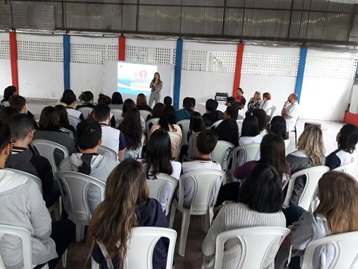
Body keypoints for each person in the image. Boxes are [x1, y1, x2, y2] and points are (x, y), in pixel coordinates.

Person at [0, 121, 75, 269]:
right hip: (19, 262)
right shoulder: (25, 186)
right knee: (67, 227)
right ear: (8, 149)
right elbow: (44, 232)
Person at [89, 159, 169, 269]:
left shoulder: (103, 212)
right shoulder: (154, 208)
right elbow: (166, 242)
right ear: (143, 184)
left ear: (112, 183)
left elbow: (97, 256)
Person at [202, 164, 286, 269]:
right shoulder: (281, 219)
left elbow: (207, 248)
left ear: (248, 186)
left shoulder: (229, 212)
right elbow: (270, 256)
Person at [275, 171, 358, 269]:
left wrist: (291, 231)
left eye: (319, 189)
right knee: (296, 211)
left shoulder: (314, 222)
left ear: (326, 196)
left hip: (310, 265)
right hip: (343, 264)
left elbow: (291, 244)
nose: (317, 192)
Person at [58, 119, 118, 213]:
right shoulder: (113, 167)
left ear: (76, 140)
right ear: (100, 141)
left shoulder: (64, 165)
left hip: (73, 212)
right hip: (103, 215)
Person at [6, 114, 59, 208]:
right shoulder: (41, 163)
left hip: (5, 200)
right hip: (33, 204)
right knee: (58, 186)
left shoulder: (3, 158)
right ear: (31, 134)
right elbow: (46, 190)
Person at [286, 124, 325, 205]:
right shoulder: (322, 159)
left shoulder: (291, 159)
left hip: (290, 200)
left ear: (303, 137)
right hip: (311, 198)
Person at [182, 129, 222, 208]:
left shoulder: (185, 167)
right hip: (208, 202)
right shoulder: (218, 168)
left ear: (196, 145)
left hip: (187, 203)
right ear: (214, 148)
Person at [144, 129, 182, 211]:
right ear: (168, 147)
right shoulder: (177, 166)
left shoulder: (139, 165)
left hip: (141, 208)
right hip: (162, 209)